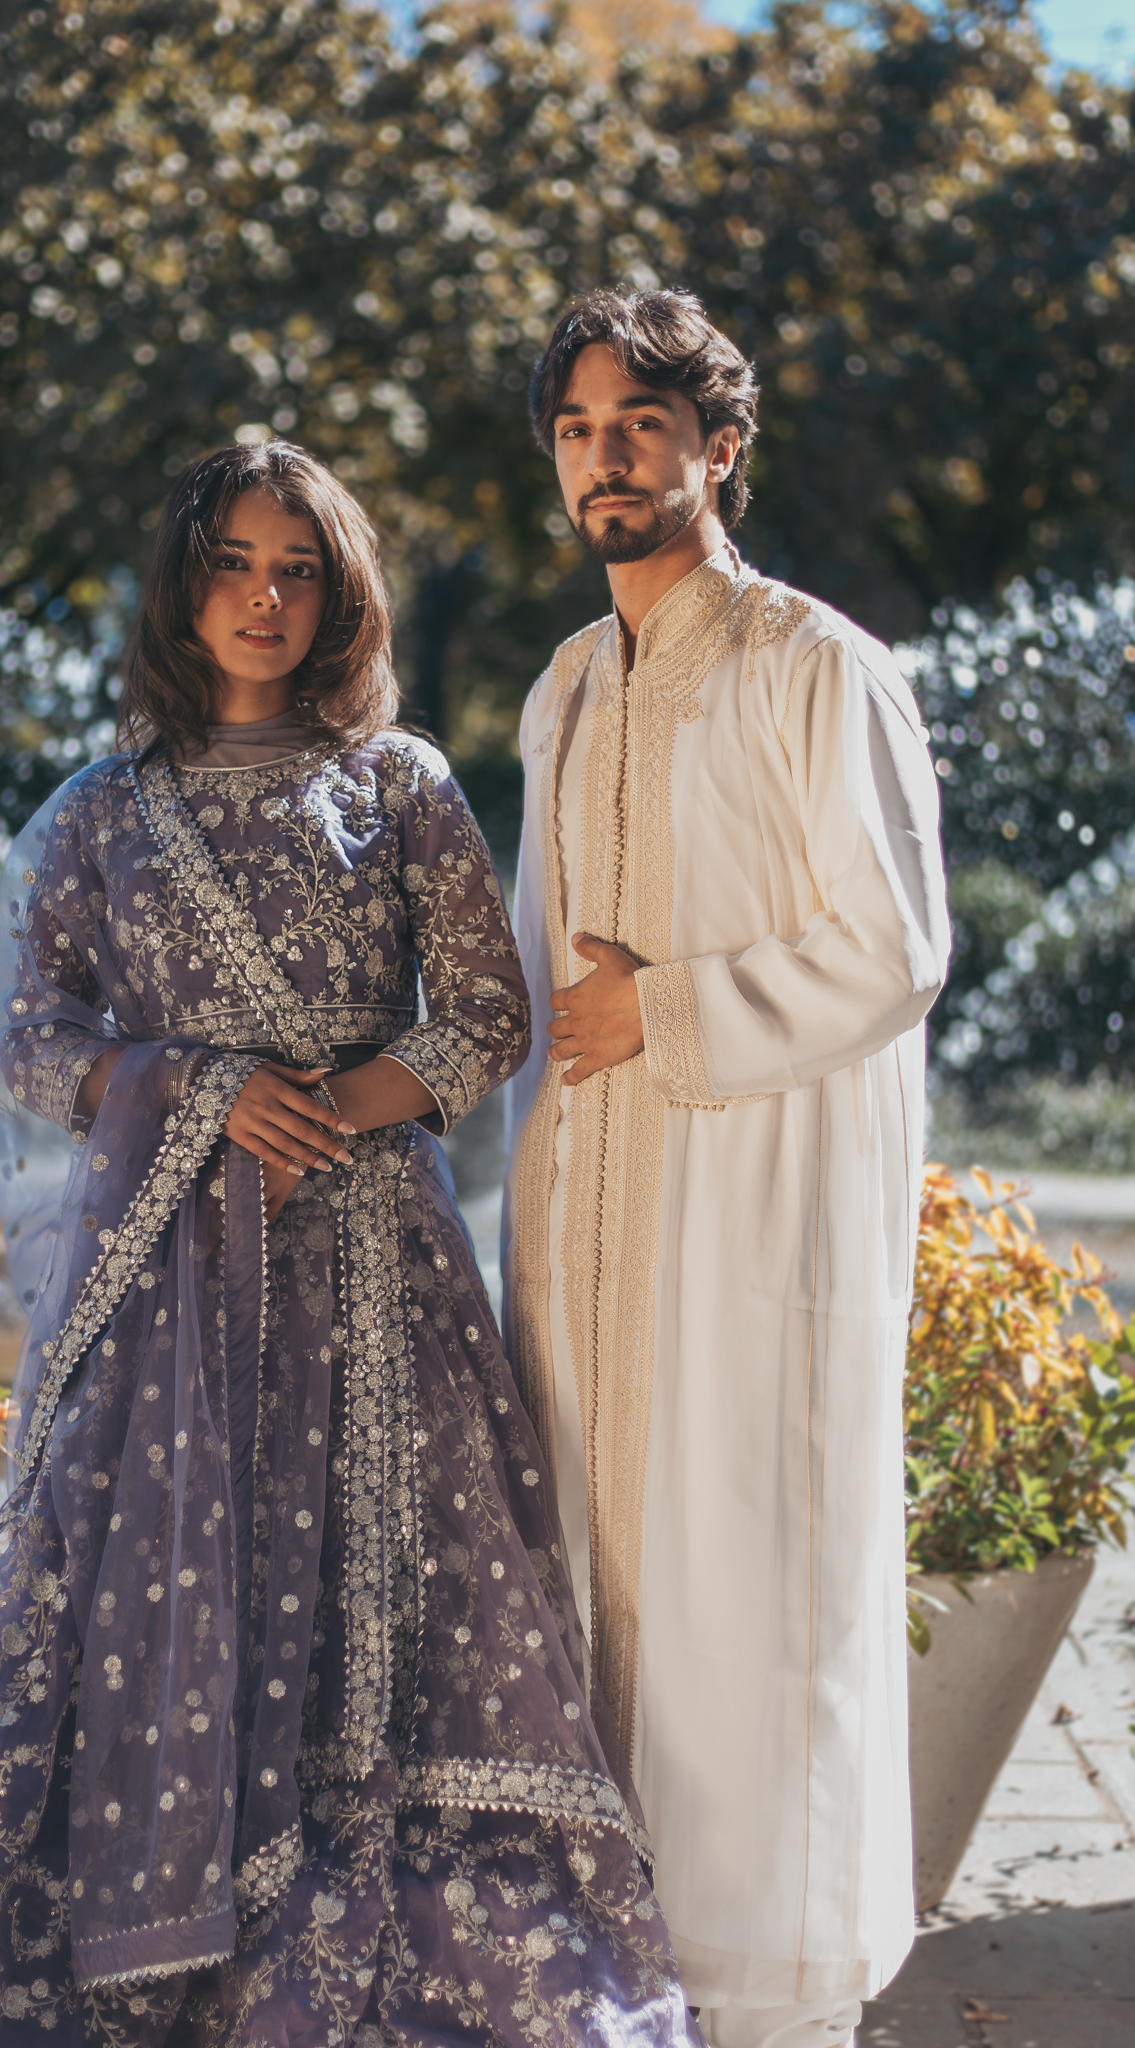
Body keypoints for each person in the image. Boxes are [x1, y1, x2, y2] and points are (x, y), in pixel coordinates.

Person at [0, 443, 699, 2048]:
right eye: (236, 564)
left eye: (299, 571)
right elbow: (23, 1043)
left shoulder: (399, 784)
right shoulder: (98, 817)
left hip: (378, 1279)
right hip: (166, 1287)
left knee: (397, 1602)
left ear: (339, 598)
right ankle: (141, 1931)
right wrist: (191, 1094)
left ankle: (367, 1935)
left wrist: (322, 1111)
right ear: (183, 586)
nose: (266, 599)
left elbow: (485, 1017)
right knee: (95, 1597)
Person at [502, 289, 951, 2048]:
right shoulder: (560, 685)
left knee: (740, 1609)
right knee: (593, 1598)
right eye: (578, 429)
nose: (608, 458)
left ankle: (764, 2007)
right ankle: (611, 1992)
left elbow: (893, 944)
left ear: (718, 449)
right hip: (586, 1218)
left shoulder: (814, 666)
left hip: (746, 1228)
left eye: (641, 424)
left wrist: (665, 1017)